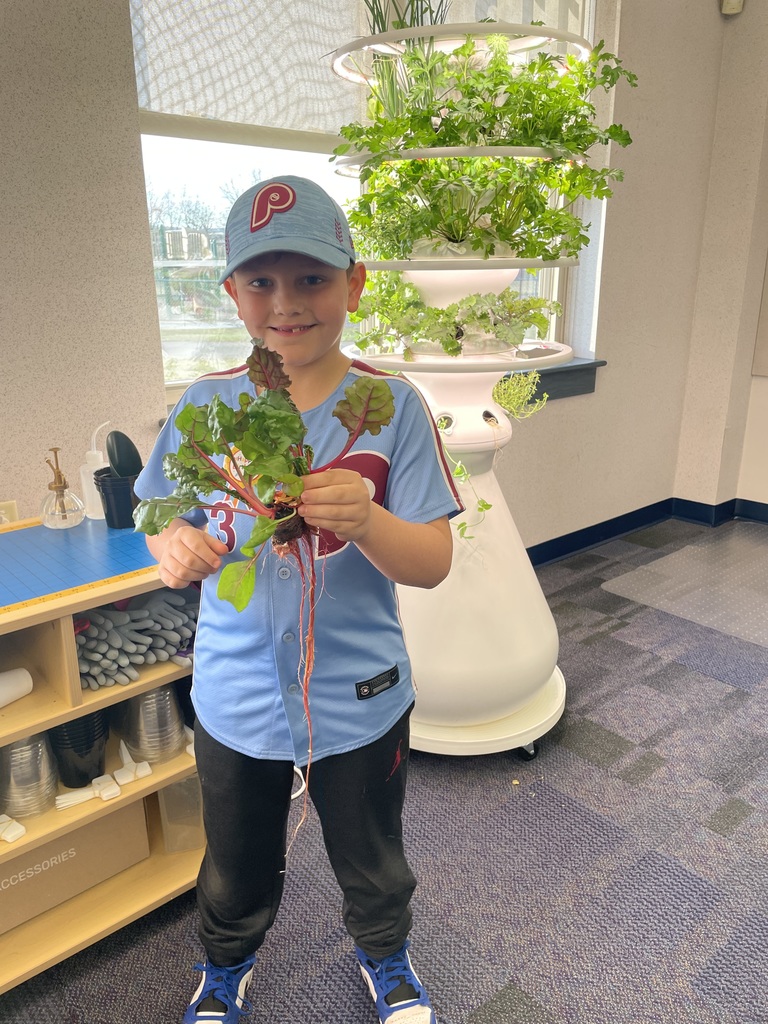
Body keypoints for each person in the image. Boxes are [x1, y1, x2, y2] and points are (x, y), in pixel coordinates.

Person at [134, 175, 463, 1024]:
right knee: (234, 860)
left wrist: (370, 521)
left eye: (312, 278)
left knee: (372, 854)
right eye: (261, 281)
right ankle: (224, 965)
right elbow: (157, 511)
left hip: (361, 697)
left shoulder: (390, 408)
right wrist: (170, 542)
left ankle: (386, 955)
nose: (287, 303)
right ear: (233, 293)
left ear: (354, 283)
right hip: (237, 696)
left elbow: (430, 563)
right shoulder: (207, 405)